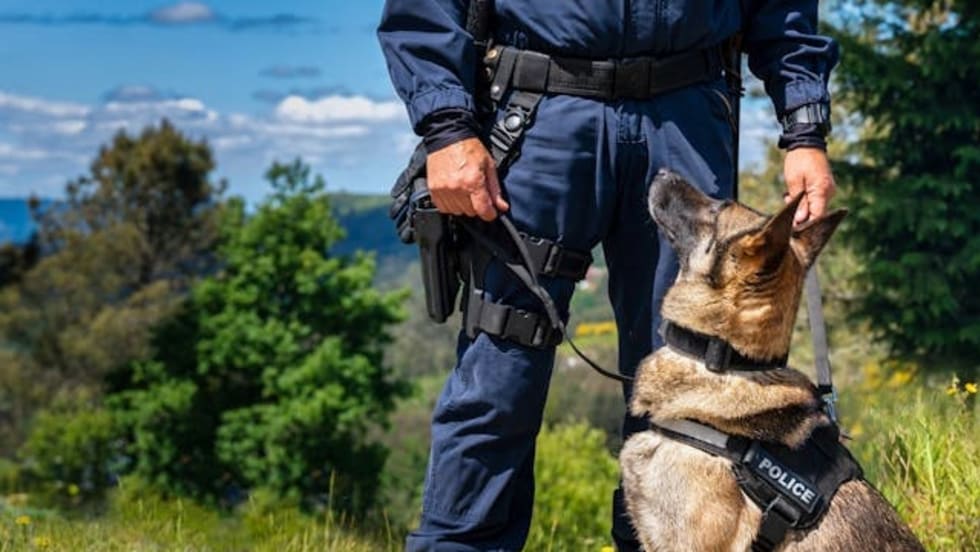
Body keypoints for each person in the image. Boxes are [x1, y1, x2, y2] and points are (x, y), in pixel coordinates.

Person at [378, 1, 838, 550]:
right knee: (498, 379)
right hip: (540, 109)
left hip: (688, 111)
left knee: (693, 391)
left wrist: (804, 127)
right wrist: (447, 127)